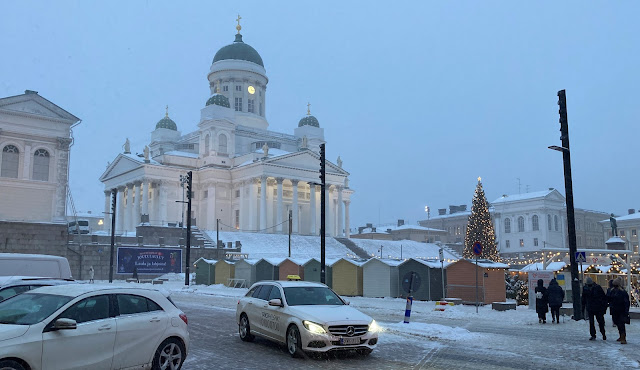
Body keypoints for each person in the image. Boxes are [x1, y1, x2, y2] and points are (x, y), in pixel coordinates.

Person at [609, 277, 630, 344]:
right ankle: (621, 336)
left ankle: (623, 337)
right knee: (618, 323)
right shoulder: (614, 291)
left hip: (620, 310)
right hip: (617, 310)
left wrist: (626, 310)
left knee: (621, 323)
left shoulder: (620, 292)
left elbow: (626, 302)